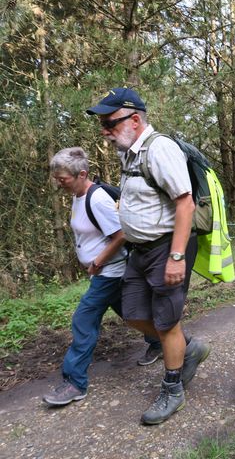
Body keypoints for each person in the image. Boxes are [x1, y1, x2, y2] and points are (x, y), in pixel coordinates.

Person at [86, 88, 210, 425]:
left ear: (135, 119)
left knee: (166, 322)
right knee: (133, 315)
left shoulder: (160, 150)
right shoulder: (129, 153)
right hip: (139, 251)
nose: (105, 131)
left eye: (109, 123)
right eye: (103, 124)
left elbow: (184, 203)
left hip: (166, 248)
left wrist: (177, 256)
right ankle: (188, 348)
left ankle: (172, 390)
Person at [44, 148, 161, 406]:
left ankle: (75, 382)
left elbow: (120, 235)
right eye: (57, 178)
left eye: (62, 178)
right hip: (107, 272)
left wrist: (97, 261)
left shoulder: (96, 199)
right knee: (134, 315)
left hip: (110, 272)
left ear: (81, 174)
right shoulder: (78, 195)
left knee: (83, 320)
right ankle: (168, 343)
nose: (58, 182)